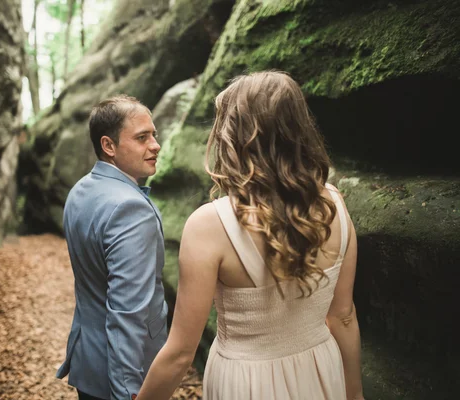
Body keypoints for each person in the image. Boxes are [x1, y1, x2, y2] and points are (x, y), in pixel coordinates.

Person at [137, 71, 364, 400]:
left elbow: (180, 354)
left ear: (233, 137)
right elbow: (343, 316)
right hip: (321, 370)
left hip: (247, 383)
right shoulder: (335, 205)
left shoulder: (210, 224)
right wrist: (354, 394)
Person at [56, 95, 168, 400]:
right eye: (142, 137)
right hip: (125, 375)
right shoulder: (131, 209)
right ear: (109, 146)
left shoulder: (80, 190)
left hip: (88, 363)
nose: (155, 145)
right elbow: (127, 312)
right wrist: (128, 391)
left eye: (154, 135)